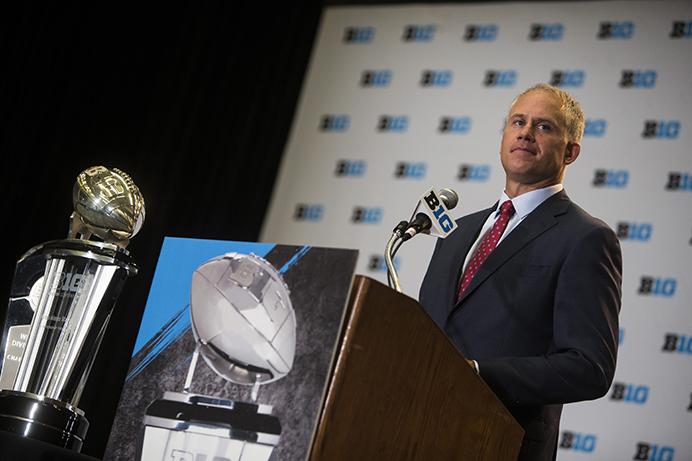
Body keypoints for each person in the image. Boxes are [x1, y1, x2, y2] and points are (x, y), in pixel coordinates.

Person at [418, 83, 622, 461]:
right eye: (518, 121)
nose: (526, 132)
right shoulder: (457, 231)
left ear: (571, 151)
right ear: (504, 138)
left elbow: (589, 367)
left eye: (544, 126)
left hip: (499, 440)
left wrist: (477, 372)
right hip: (415, 430)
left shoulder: (586, 238)